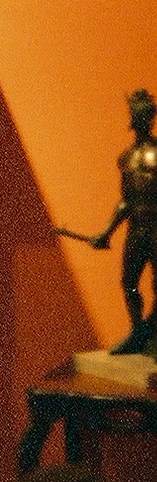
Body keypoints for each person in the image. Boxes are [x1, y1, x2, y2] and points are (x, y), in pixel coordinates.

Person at [92, 87, 157, 353]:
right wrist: (107, 232)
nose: (139, 120)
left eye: (143, 115)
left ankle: (148, 332)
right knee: (128, 282)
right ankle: (139, 332)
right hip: (137, 228)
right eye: (136, 115)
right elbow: (126, 202)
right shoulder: (126, 158)